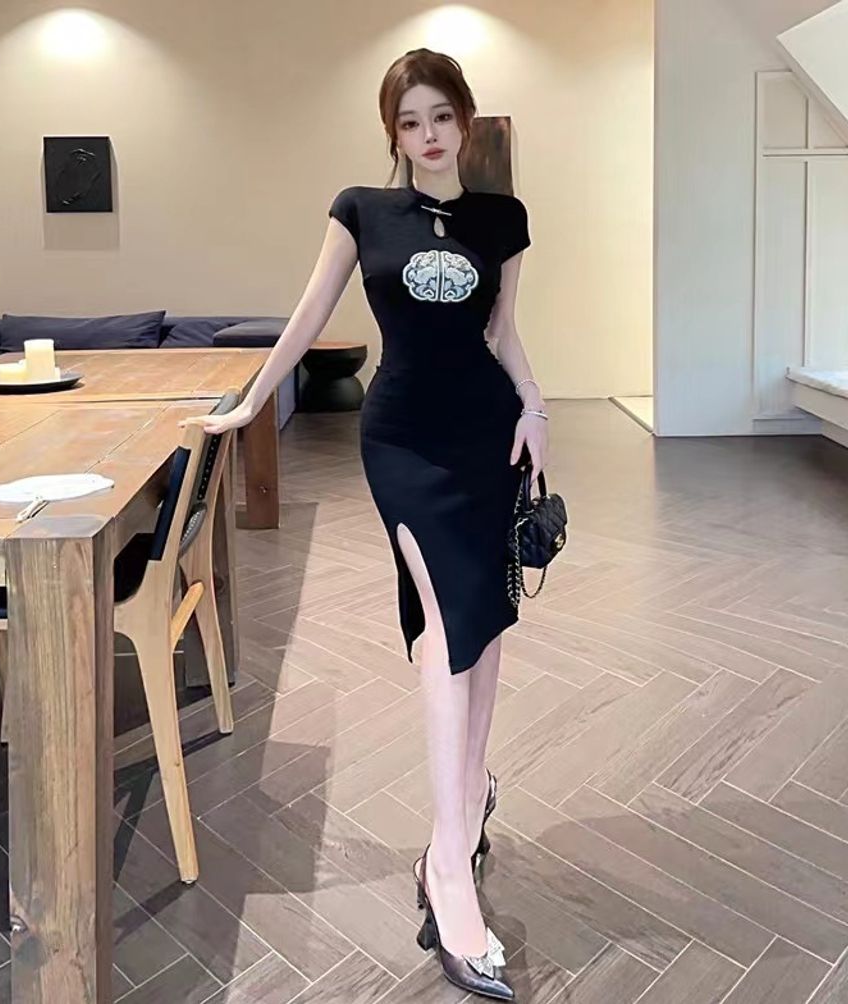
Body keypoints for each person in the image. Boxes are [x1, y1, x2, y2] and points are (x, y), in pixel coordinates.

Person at [182, 47, 547, 1001]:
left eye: (442, 117)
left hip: (486, 434)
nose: (428, 135)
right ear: (393, 132)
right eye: (410, 121)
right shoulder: (361, 211)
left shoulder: (502, 220)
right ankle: (448, 869)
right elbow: (307, 317)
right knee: (445, 625)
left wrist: (536, 408)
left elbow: (502, 332)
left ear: (465, 120)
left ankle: (467, 806)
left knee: (484, 624)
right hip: (402, 441)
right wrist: (250, 402)